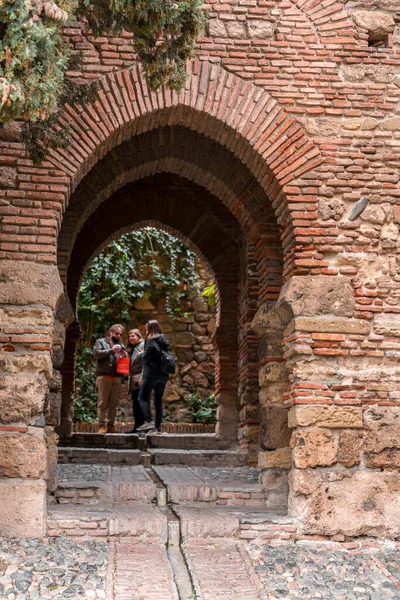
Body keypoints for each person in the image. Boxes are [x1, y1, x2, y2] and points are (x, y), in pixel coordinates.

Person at [136, 320, 171, 432]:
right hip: (163, 375)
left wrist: (141, 354)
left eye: (146, 329)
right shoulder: (164, 341)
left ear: (150, 329)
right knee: (157, 401)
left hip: (151, 375)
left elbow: (146, 359)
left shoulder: (151, 342)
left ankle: (148, 421)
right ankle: (157, 427)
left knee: (142, 397)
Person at [93, 324, 126, 434]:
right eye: (117, 333)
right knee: (102, 403)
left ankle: (111, 425)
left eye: (121, 334)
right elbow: (97, 354)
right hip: (104, 376)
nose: (119, 336)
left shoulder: (121, 345)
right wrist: (111, 350)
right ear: (110, 332)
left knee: (114, 403)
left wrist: (124, 354)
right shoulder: (101, 342)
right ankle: (101, 426)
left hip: (117, 377)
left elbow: (124, 361)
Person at [127, 328, 145, 433]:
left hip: (140, 380)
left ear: (139, 336)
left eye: (133, 336)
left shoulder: (143, 346)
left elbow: (146, 364)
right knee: (136, 404)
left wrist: (142, 377)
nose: (130, 338)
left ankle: (142, 427)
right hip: (134, 381)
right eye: (129, 336)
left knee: (141, 403)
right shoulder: (134, 348)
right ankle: (137, 426)